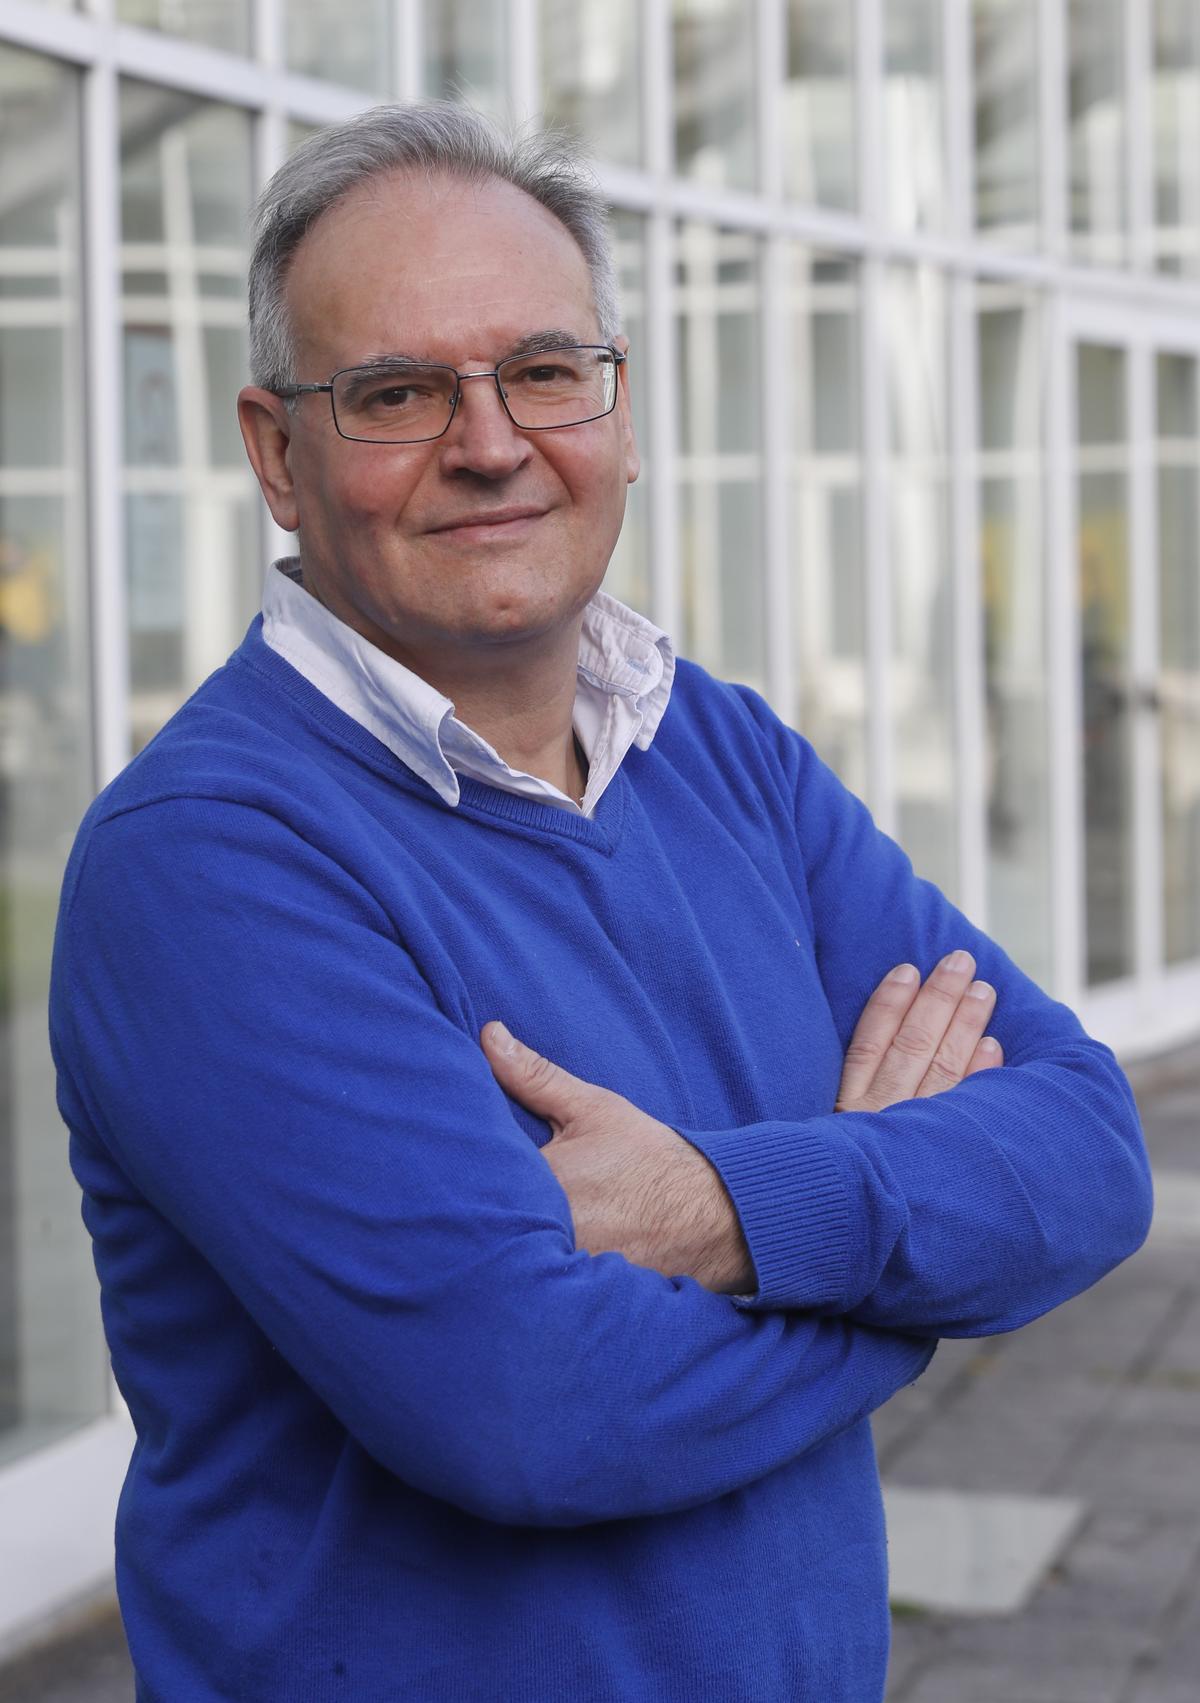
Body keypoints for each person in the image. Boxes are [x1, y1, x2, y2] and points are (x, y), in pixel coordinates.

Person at [50, 103, 1152, 1702]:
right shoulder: (208, 862)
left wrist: (720, 1210)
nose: (491, 441)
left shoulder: (724, 752)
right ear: (278, 456)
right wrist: (910, 1269)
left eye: (546, 371)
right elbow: (527, 1405)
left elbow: (1089, 1151)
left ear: (619, 414)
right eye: (397, 392)